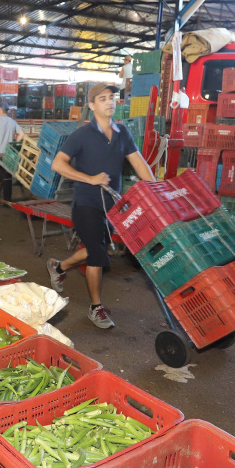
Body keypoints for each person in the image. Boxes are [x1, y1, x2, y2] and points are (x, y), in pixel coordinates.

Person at [47, 83, 155, 329]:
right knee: (97, 255)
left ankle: (59, 266)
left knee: (99, 248)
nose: (109, 102)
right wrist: (90, 178)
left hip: (111, 206)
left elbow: (139, 163)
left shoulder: (122, 133)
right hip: (86, 203)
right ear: (92, 105)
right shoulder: (81, 135)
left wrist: (157, 190)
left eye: (112, 98)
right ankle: (96, 308)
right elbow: (58, 164)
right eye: (103, 98)